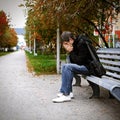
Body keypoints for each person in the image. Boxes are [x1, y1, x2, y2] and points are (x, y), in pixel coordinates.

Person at [52, 31, 100, 103]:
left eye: (66, 43)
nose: (66, 45)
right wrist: (71, 52)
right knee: (65, 66)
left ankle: (66, 94)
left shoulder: (82, 43)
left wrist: (71, 51)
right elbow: (74, 62)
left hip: (90, 68)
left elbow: (80, 61)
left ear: (71, 39)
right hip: (85, 66)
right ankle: (67, 92)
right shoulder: (76, 43)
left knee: (68, 67)